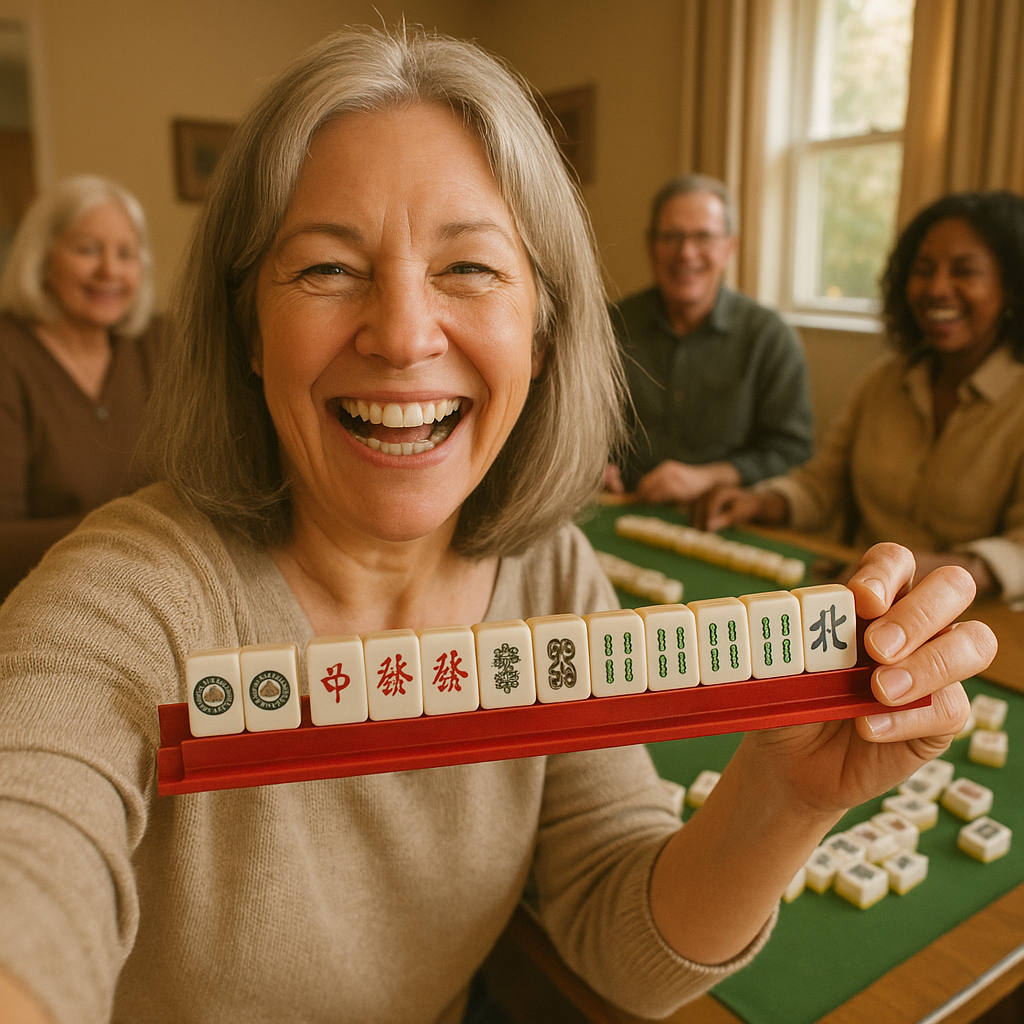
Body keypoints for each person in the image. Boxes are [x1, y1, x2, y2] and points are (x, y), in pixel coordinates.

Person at [0, 29, 995, 1024]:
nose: (400, 334)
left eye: (469, 268)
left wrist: (785, 799)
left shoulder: (548, 568)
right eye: (325, 269)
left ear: (543, 327)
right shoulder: (125, 598)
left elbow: (625, 944)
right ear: (249, 334)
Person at [697, 190, 1024, 604]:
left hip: (979, 624)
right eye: (922, 270)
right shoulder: (881, 382)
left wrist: (934, 570)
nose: (938, 288)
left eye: (965, 271)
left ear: (1011, 287)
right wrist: (761, 501)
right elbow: (823, 484)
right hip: (863, 601)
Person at [605, 174, 814, 503]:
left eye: (704, 237)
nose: (686, 253)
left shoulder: (770, 337)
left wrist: (710, 477)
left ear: (729, 248)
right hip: (620, 509)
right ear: (651, 247)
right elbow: (572, 426)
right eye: (671, 237)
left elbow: (792, 452)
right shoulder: (610, 327)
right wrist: (589, 465)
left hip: (726, 521)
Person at [0, 175, 161, 600]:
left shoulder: (157, 343)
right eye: (87, 249)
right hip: (40, 608)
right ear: (44, 257)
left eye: (125, 253)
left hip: (154, 597)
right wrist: (138, 529)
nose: (109, 270)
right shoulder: (9, 355)